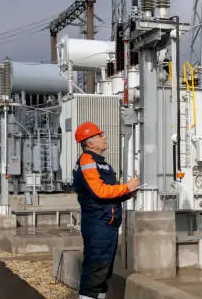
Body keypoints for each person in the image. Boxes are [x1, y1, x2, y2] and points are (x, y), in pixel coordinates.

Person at [72, 121, 140, 299]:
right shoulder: (87, 161)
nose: (104, 137)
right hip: (97, 224)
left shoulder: (104, 165)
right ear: (89, 142)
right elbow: (99, 191)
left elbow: (109, 192)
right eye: (99, 135)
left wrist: (127, 194)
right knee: (95, 270)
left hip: (107, 223)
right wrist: (126, 187)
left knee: (104, 272)